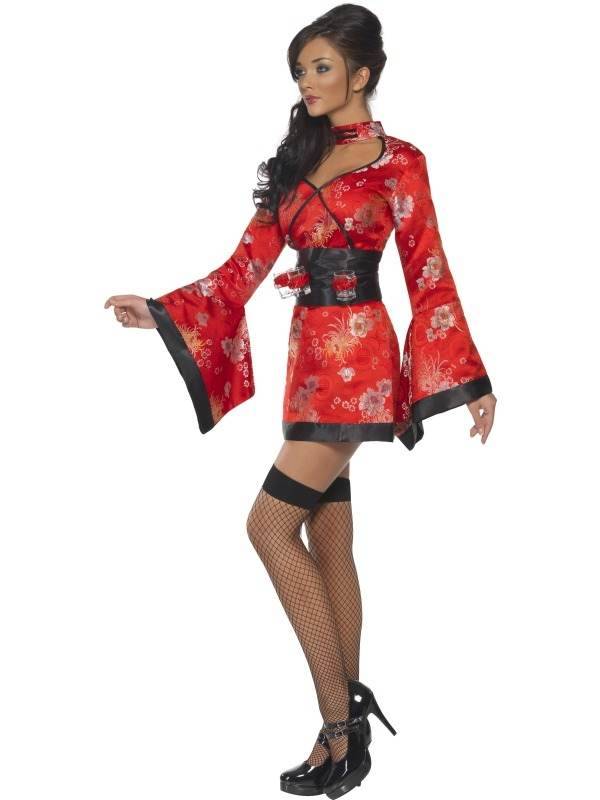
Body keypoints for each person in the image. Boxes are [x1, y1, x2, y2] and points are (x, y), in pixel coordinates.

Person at [104, 4, 497, 797]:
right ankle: (350, 714)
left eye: (321, 67)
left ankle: (338, 729)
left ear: (362, 72)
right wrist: (161, 310)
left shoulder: (400, 162)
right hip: (308, 363)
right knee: (328, 538)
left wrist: (469, 378)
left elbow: (429, 270)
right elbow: (243, 267)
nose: (306, 82)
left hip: (360, 362)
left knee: (267, 525)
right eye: (300, 70)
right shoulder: (299, 159)